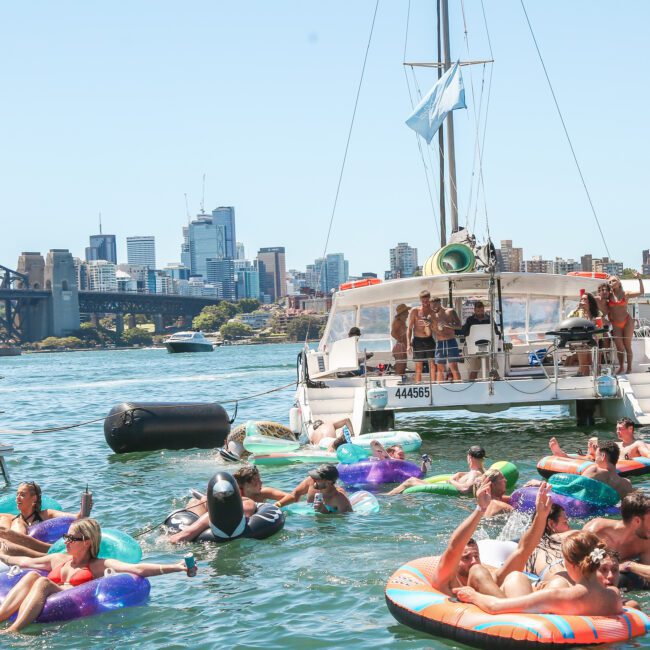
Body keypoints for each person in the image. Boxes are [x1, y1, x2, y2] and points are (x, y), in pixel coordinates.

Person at [0, 518, 195, 634]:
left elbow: (138, 569)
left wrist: (175, 567)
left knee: (42, 581)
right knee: (32, 575)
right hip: (44, 598)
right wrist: (3, 555)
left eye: (71, 538)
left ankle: (15, 630)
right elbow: (22, 562)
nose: (66, 541)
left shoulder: (98, 565)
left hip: (70, 600)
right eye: (65, 537)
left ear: (86, 542)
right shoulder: (58, 559)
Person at [426, 479, 552, 597]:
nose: (474, 561)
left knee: (516, 577)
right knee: (477, 571)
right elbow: (454, 547)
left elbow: (523, 551)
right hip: (478, 612)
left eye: (476, 556)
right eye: (466, 558)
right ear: (454, 561)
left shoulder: (491, 579)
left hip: (507, 611)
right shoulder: (446, 582)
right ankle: (511, 610)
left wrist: (541, 516)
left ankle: (519, 612)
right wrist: (480, 509)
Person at [454, 531, 623, 617]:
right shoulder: (614, 596)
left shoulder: (559, 596)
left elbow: (494, 607)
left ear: (570, 564)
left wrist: (473, 595)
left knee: (516, 579)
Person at [168, 465, 287, 543]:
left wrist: (279, 505)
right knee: (196, 502)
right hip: (213, 509)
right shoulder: (238, 498)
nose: (261, 483)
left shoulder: (255, 499)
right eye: (257, 481)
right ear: (246, 484)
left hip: (239, 511)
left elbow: (287, 497)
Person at [531, 440, 634, 499]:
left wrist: (541, 484)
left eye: (596, 456)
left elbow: (569, 488)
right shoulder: (626, 484)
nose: (594, 459)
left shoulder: (595, 471)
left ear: (602, 456)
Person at [386, 445, 485, 496]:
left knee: (411, 481)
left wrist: (452, 481)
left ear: (470, 457)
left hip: (449, 490)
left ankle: (387, 496)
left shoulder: (473, 473)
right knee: (413, 479)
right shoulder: (482, 471)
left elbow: (465, 489)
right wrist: (461, 474)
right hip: (448, 486)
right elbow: (473, 478)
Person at [583, 491, 650, 564]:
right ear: (637, 521)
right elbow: (581, 565)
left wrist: (630, 566)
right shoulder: (594, 532)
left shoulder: (645, 541)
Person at [274, 464, 352, 514]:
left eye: (317, 478)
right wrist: (277, 505)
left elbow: (343, 522)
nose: (313, 479)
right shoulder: (310, 481)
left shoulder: (340, 499)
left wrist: (323, 510)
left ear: (329, 482)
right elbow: (295, 495)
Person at [607, 273, 644, 374]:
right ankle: (621, 367)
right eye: (609, 282)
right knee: (619, 347)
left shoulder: (626, 294)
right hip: (616, 323)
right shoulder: (608, 296)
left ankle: (629, 368)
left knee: (627, 345)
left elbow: (641, 292)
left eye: (613, 281)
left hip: (627, 321)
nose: (611, 283)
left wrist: (639, 279)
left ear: (619, 282)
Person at [525, 504, 571, 582]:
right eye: (565, 522)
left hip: (546, 577)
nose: (569, 527)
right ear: (551, 524)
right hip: (563, 573)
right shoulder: (567, 537)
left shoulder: (528, 550)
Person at [567, 292, 603, 376]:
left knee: (593, 363)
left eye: (584, 299)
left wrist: (598, 334)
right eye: (581, 299)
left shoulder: (597, 313)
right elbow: (568, 319)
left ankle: (587, 378)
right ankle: (583, 379)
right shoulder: (577, 312)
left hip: (594, 340)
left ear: (590, 301)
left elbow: (600, 327)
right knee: (584, 363)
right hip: (581, 340)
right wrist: (577, 309)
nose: (582, 301)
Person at [406, 290, 436, 384]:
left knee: (432, 365)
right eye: (423, 301)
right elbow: (409, 328)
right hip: (418, 341)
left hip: (429, 339)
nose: (425, 303)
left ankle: (433, 385)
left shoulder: (433, 312)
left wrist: (430, 324)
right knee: (419, 366)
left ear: (430, 300)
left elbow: (435, 328)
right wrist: (408, 344)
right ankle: (417, 385)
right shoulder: (415, 311)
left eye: (427, 301)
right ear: (420, 300)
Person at [461, 301, 495, 380]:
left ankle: (496, 384)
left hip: (488, 347)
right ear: (475, 310)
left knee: (493, 368)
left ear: (484, 309)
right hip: (474, 348)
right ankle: (472, 385)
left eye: (481, 310)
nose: (480, 312)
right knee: (473, 370)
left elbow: (496, 331)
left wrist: (499, 335)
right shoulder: (470, 320)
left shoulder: (489, 319)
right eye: (478, 310)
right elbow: (464, 332)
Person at [430, 297, 461, 382]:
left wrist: (448, 325)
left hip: (451, 341)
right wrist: (429, 325)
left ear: (440, 303)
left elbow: (459, 326)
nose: (434, 308)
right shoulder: (432, 316)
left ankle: (459, 387)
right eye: (432, 306)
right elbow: (433, 329)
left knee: (454, 367)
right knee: (440, 369)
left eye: (435, 305)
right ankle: (439, 388)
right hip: (439, 343)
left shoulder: (450, 311)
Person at [391, 303, 410, 377]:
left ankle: (400, 381)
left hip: (402, 347)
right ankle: (397, 382)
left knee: (403, 366)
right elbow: (392, 333)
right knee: (400, 367)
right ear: (403, 313)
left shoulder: (402, 322)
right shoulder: (398, 322)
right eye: (406, 312)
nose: (408, 313)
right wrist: (400, 339)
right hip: (400, 347)